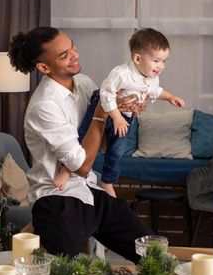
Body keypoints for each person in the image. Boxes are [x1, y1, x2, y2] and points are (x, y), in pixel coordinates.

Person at [8, 26, 152, 262]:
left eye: (72, 46)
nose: (74, 54)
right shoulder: (45, 106)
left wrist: (124, 113)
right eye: (64, 55)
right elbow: (81, 165)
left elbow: (101, 143)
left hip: (90, 190)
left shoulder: (84, 84)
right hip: (57, 201)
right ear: (44, 68)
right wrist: (101, 112)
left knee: (153, 255)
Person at [53, 28, 185, 197]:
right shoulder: (121, 74)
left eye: (164, 61)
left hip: (125, 117)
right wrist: (115, 116)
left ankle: (107, 181)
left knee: (117, 150)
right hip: (103, 107)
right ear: (137, 58)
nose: (161, 66)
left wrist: (170, 97)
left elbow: (155, 91)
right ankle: (66, 169)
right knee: (83, 137)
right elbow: (106, 94)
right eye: (156, 61)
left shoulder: (152, 77)